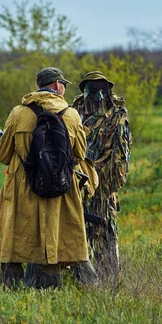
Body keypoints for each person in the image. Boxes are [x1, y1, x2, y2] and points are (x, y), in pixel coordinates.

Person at [0, 67, 98, 289]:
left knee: (15, 237)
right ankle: (52, 287)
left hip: (23, 188)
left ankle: (11, 287)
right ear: (58, 85)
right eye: (64, 85)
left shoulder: (19, 112)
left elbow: (2, 155)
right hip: (60, 187)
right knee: (57, 236)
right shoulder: (72, 115)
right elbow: (79, 154)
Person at [71, 71, 132, 281]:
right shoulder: (75, 110)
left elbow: (121, 156)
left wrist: (107, 186)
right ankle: (80, 278)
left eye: (101, 89)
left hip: (104, 184)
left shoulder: (117, 114)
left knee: (105, 234)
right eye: (91, 89)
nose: (97, 95)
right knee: (77, 233)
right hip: (76, 182)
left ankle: (110, 280)